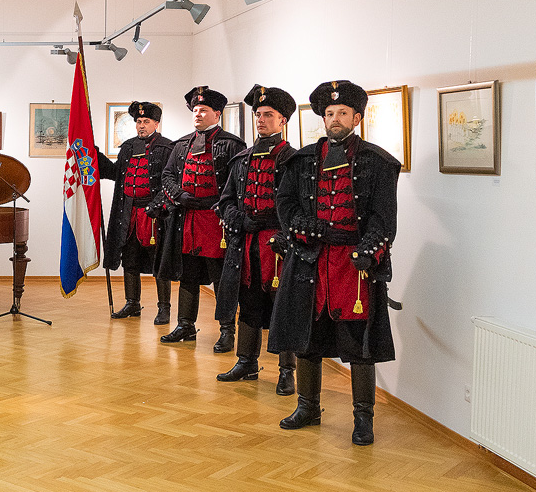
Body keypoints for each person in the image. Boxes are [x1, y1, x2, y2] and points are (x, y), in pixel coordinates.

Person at [270, 80, 400, 445]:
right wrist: (302, 225)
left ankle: (363, 419)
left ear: (357, 118)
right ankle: (308, 407)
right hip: (309, 260)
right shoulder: (302, 161)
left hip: (352, 267)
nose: (335, 119)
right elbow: (285, 203)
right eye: (329, 113)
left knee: (359, 347)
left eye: (343, 112)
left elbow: (384, 218)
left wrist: (368, 250)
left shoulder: (378, 162)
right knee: (307, 339)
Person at [214, 86, 298, 394]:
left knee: (283, 308)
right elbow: (225, 201)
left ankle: (287, 371)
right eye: (258, 114)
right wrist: (238, 219)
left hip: (279, 248)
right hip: (246, 245)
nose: (261, 120)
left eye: (268, 115)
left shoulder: (294, 160)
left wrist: (284, 235)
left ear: (283, 120)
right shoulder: (242, 159)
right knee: (247, 303)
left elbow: (302, 208)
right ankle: (246, 362)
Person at [157, 87, 246, 351]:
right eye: (195, 110)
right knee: (188, 275)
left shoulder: (232, 145)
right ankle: (185, 325)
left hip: (216, 223)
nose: (197, 114)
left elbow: (237, 183)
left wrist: (224, 206)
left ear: (217, 114)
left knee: (221, 279)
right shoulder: (182, 144)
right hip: (187, 220)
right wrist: (179, 195)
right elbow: (167, 175)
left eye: (203, 110)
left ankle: (227, 331)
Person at [96, 101, 175, 323]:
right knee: (129, 259)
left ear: (156, 123)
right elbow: (115, 173)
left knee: (159, 262)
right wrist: (94, 154)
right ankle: (132, 304)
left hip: (154, 216)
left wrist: (157, 205)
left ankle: (164, 308)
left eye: (146, 121)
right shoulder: (128, 147)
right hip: (128, 214)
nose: (141, 125)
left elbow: (171, 182)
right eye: (139, 121)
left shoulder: (167, 148)